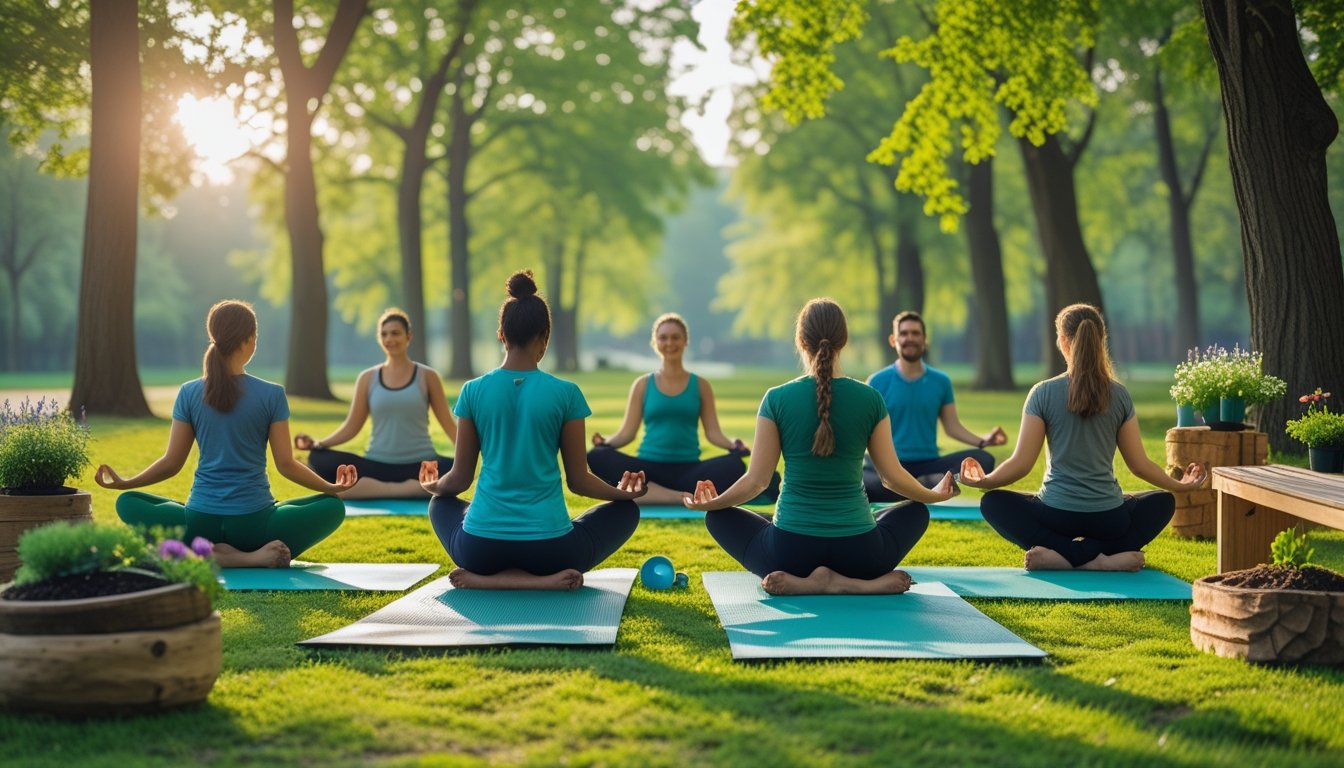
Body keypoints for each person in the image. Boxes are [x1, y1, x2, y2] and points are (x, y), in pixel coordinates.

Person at [683, 298, 957, 595]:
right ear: (844, 340)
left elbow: (758, 481)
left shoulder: (776, 398)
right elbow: (891, 477)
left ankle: (811, 583)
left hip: (788, 556)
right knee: (916, 511)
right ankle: (853, 585)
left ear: (800, 340)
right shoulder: (871, 399)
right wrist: (931, 496)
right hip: (862, 556)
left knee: (719, 517)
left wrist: (714, 503)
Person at [419, 270, 648, 590]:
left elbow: (459, 479)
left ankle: (490, 581)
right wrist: (623, 495)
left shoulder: (472, 391)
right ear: (545, 337)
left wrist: (432, 485)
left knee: (440, 503)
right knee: (626, 512)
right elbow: (579, 481)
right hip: (552, 553)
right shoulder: (566, 393)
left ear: (501, 334)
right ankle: (542, 582)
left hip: (480, 551)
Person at [96, 300, 357, 568]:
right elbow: (286, 465)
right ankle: (251, 557)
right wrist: (330, 487)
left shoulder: (188, 392)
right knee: (332, 507)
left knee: (127, 502)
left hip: (199, 524)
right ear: (247, 341)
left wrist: (126, 484)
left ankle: (207, 553)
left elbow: (171, 463)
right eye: (255, 337)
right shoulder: (272, 394)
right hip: (255, 528)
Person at [958, 303, 1207, 571]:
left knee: (993, 503)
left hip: (1055, 516)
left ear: (1063, 341)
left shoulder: (1042, 393)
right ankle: (1103, 559)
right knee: (1162, 502)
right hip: (1109, 520)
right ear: (1101, 340)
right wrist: (1178, 486)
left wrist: (985, 481)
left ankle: (1065, 554)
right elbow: (1139, 465)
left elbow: (1021, 464)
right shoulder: (1120, 395)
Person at [587, 313, 777, 505]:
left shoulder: (701, 385)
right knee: (596, 456)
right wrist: (606, 442)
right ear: (655, 342)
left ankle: (651, 494)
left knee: (734, 464)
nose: (670, 343)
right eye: (663, 337)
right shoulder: (642, 384)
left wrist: (733, 446)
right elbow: (627, 433)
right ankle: (681, 496)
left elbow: (713, 433)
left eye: (675, 337)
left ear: (685, 341)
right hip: (647, 468)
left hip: (689, 470)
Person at [293, 307, 456, 499]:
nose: (390, 339)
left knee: (454, 468)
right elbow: (351, 426)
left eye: (395, 333)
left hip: (421, 464)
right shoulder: (367, 378)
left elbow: (448, 424)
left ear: (408, 337)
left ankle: (366, 490)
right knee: (318, 458)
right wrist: (318, 443)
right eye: (384, 334)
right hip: (376, 465)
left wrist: (466, 458)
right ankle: (416, 489)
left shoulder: (427, 376)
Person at [863, 310, 1008, 502]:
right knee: (863, 482)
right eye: (904, 333)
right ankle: (925, 485)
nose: (910, 338)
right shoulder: (877, 381)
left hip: (928, 464)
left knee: (984, 460)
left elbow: (952, 426)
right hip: (889, 465)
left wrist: (983, 441)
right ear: (893, 340)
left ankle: (917, 485)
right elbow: (864, 430)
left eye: (915, 333)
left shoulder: (941, 381)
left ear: (925, 339)